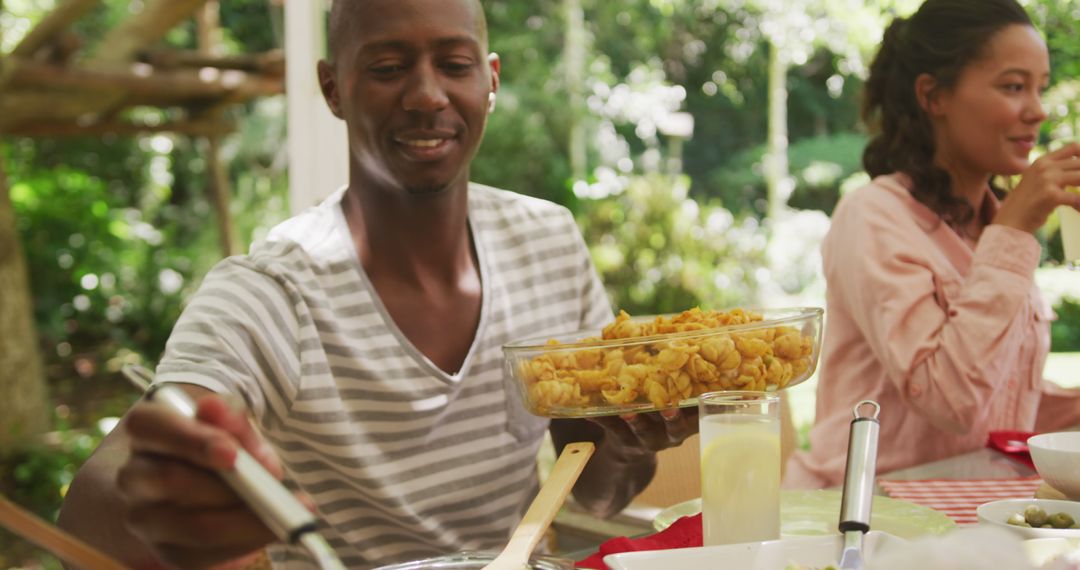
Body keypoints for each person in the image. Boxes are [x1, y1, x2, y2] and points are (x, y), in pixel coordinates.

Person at [56, 0, 697, 567]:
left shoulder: (549, 243)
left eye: (454, 64)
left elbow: (596, 492)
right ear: (333, 88)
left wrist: (630, 440)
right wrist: (158, 498)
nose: (426, 95)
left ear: (491, 80)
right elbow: (97, 504)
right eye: (388, 68)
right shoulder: (272, 291)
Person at [784, 0, 1080, 489]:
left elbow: (1000, 397)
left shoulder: (991, 229)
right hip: (865, 521)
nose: (1038, 111)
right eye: (1013, 86)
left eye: (1039, 88)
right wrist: (1016, 228)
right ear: (933, 95)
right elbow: (952, 399)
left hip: (972, 511)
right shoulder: (873, 217)